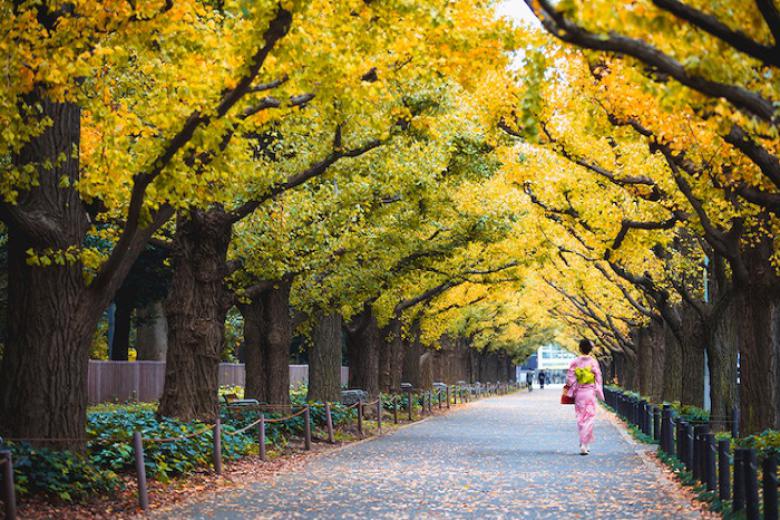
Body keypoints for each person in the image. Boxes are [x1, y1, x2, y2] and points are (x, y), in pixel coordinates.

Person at [565, 339, 605, 455]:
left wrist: (571, 388)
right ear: (590, 349)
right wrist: (599, 391)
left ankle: (583, 443)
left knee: (580, 418)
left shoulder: (575, 362)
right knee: (590, 417)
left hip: (579, 393)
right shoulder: (593, 362)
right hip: (590, 392)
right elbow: (598, 377)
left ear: (580, 348)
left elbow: (570, 378)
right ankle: (585, 444)